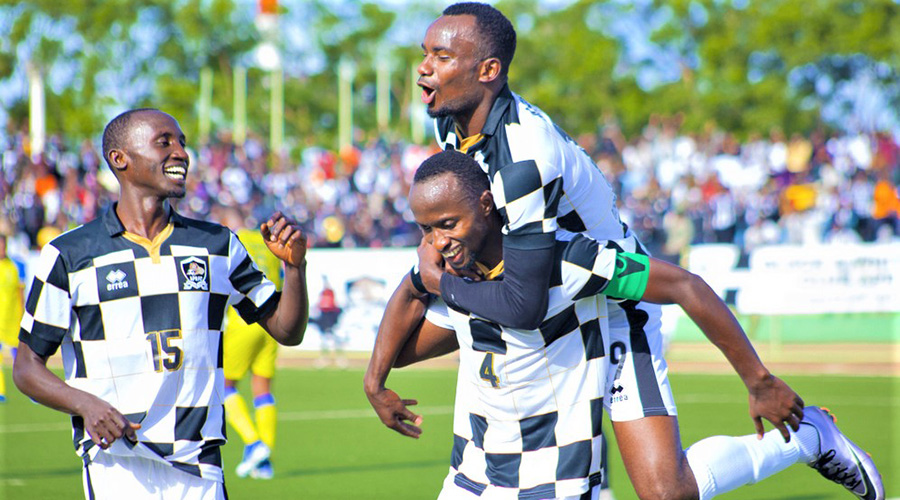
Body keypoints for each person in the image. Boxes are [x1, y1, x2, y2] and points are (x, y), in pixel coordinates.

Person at [394, 150, 883, 500]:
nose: (436, 240)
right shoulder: (461, 257)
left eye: (446, 226)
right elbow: (413, 309)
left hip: (621, 324)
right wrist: (376, 375)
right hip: (478, 475)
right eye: (426, 230)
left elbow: (684, 287)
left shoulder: (574, 262)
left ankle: (805, 436)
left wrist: (759, 380)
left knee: (665, 493)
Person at [13, 108, 310, 500]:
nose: (181, 153)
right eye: (164, 142)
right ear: (120, 159)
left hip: (199, 466)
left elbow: (287, 330)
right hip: (116, 464)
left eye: (183, 143)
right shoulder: (69, 254)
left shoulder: (217, 245)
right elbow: (26, 368)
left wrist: (296, 269)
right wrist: (85, 405)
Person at [218, 206, 284, 480]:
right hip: (270, 321)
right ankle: (264, 461)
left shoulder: (230, 242)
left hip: (243, 322)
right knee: (262, 388)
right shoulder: (264, 242)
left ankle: (254, 442)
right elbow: (277, 280)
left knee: (225, 386)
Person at [0, 234, 24, 403]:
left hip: (12, 318)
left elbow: (20, 292)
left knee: (21, 356)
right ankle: (1, 391)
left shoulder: (14, 266)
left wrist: (23, 314)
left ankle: (30, 390)